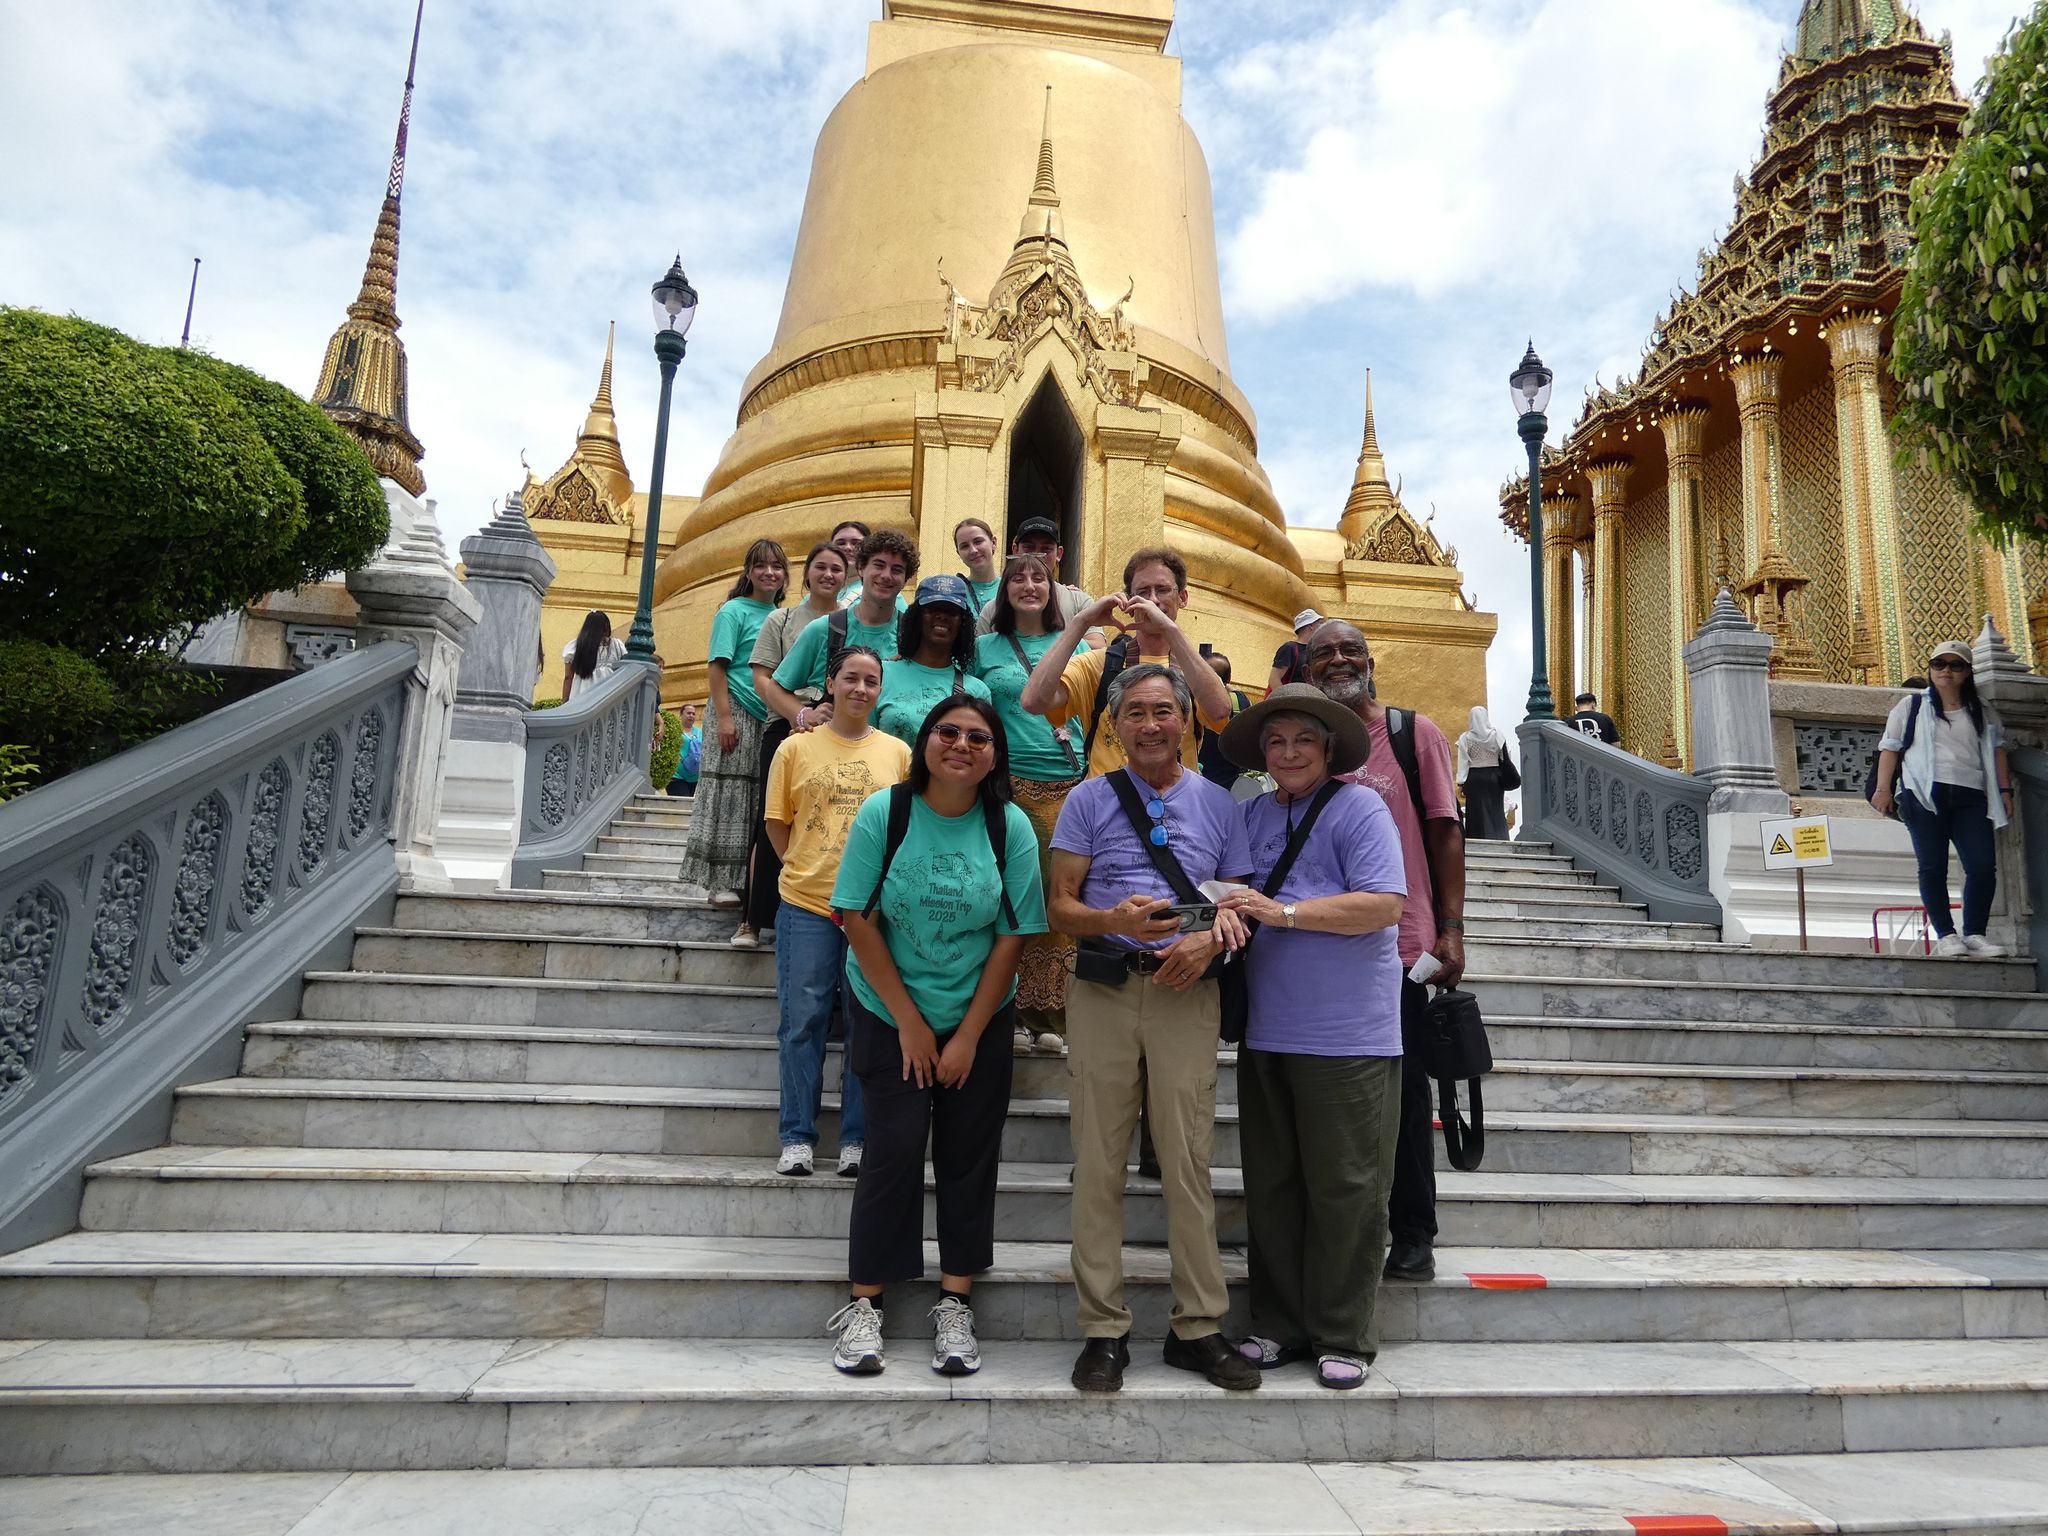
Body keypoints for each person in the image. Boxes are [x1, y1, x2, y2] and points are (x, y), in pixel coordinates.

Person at [1048, 662, 1260, 1395]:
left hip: (1185, 994)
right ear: (1114, 723)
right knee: (1098, 1164)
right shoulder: (1087, 800)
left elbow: (1239, 904)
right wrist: (1110, 920)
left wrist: (1212, 939)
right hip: (1107, 987)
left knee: (1188, 1160)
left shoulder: (1220, 805)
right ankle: (1103, 1329)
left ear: (1187, 721)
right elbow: (1059, 906)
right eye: (1134, 712)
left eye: (1163, 711)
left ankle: (1198, 1325)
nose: (1149, 724)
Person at [826, 696, 1046, 1378]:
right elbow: (854, 918)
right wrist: (913, 1026)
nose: (961, 745)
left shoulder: (1009, 826)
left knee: (966, 1156)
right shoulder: (884, 813)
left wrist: (967, 1036)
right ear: (925, 741)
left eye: (978, 737)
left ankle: (955, 1302)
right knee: (890, 1152)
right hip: (889, 1008)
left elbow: (1014, 936)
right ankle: (867, 1302)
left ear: (995, 754)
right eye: (947, 732)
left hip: (978, 1012)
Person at [1210, 685, 1405, 1390]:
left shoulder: (1361, 809)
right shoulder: (1249, 814)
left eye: (1302, 741)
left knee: (1347, 1186)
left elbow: (1383, 904)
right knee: (1273, 1183)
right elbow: (1230, 892)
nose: (1288, 753)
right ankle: (1279, 1322)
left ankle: (1343, 1329)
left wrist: (1284, 912)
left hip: (1348, 1032)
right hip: (1268, 1026)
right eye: (1275, 741)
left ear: (1328, 751)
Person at [1304, 619, 1465, 1284]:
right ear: (1305, 668)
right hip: (1314, 944)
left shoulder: (1409, 733)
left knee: (1400, 1093)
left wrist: (1451, 929)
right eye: (1324, 653)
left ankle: (1413, 1230)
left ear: (1370, 661)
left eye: (1350, 651)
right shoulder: (1304, 739)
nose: (1339, 661)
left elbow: (1445, 831)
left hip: (1395, 946)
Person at [763, 645, 910, 1179]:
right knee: (801, 1021)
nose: (861, 690)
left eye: (872, 681)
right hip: (806, 904)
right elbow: (778, 822)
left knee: (865, 1024)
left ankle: (856, 1137)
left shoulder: (897, 753)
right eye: (851, 679)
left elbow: (904, 829)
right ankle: (797, 1135)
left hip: (871, 912)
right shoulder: (795, 748)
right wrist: (805, 869)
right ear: (831, 682)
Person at [975, 552, 1084, 1054]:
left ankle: (1053, 1014)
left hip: (1072, 782)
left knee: (1064, 897)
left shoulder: (1078, 645)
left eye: (1039, 577)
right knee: (1021, 894)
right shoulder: (984, 648)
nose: (1028, 585)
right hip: (1012, 782)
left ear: (1053, 589)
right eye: (1017, 577)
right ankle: (1015, 1010)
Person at [1020, 545, 1232, 779]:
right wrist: (1082, 621)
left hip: (1176, 806)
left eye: (1162, 590)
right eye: (1143, 592)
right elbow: (1033, 701)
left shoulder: (1193, 671)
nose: (1153, 601)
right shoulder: (1099, 665)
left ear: (1182, 597)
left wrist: (1171, 630)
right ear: (1129, 601)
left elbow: (1220, 711)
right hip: (1107, 806)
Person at [742, 542, 853, 948]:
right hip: (787, 723)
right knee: (771, 818)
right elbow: (764, 680)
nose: (828, 575)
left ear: (847, 576)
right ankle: (752, 918)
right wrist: (799, 716)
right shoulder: (782, 618)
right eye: (820, 567)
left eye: (837, 569)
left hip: (837, 724)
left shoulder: (851, 620)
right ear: (806, 574)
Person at [1870, 641, 2013, 958]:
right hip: (1923, 793)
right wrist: (1882, 790)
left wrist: (2005, 792)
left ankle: (1975, 932)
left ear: (1966, 672)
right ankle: (1946, 935)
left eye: (1955, 665)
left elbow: (1997, 751)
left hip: (1972, 794)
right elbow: (1890, 748)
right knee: (1932, 866)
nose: (1946, 670)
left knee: (1981, 865)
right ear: (1931, 669)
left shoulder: (1983, 711)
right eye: (1939, 664)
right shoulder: (1911, 707)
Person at [677, 541, 788, 909]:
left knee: (761, 799)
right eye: (761, 566)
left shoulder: (782, 616)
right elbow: (718, 666)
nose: (769, 573)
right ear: (748, 571)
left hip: (769, 712)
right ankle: (721, 881)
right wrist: (724, 717)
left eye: (776, 566)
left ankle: (751, 882)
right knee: (730, 795)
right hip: (736, 708)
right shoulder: (733, 611)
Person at [773, 530, 918, 721]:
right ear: (861, 568)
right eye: (879, 565)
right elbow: (775, 689)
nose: (886, 575)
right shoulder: (824, 630)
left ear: (906, 579)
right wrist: (803, 715)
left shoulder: (914, 635)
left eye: (897, 570)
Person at [875, 576, 993, 747]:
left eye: (951, 611)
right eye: (933, 609)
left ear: (963, 622)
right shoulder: (881, 674)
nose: (942, 616)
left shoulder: (977, 691)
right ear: (917, 616)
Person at [977, 516, 1100, 645]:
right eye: (1029, 548)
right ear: (1015, 550)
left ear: (1059, 554)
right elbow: (978, 655)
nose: (1037, 555)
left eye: (1046, 549)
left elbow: (1097, 647)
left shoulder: (1079, 602)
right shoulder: (993, 609)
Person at [1456, 706, 1512, 841]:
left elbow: (1463, 761)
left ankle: (1476, 836)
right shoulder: (1497, 734)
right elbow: (1506, 755)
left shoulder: (1465, 738)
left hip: (1474, 777)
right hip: (1494, 776)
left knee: (1476, 810)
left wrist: (1461, 781)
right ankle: (1499, 836)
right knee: (1496, 808)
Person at [1196, 650, 1251, 791]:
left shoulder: (1193, 702)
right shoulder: (1240, 699)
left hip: (1199, 779)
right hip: (1232, 782)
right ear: (1230, 678)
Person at [834, 519, 909, 614]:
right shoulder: (823, 593)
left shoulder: (889, 594)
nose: (848, 548)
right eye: (840, 543)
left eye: (855, 543)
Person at [561, 610, 626, 702]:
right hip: (609, 693)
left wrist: (564, 703)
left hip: (581, 694)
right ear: (606, 626)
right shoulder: (616, 645)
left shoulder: (576, 646)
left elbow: (568, 677)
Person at [1265, 609, 1325, 695]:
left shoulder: (1315, 651)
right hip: (1288, 701)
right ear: (1310, 626)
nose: (1322, 627)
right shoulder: (1290, 648)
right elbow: (1274, 678)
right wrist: (1286, 700)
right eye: (1319, 623)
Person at [954, 517, 1002, 619]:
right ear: (958, 553)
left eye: (978, 542)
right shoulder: (955, 593)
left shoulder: (1010, 588)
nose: (973, 550)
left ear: (993, 543)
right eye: (964, 546)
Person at [667, 703, 702, 797]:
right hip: (676, 776)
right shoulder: (674, 730)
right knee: (682, 806)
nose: (691, 716)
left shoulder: (700, 732)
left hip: (695, 778)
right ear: (681, 715)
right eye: (688, 713)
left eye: (693, 714)